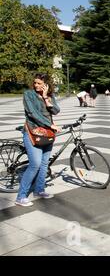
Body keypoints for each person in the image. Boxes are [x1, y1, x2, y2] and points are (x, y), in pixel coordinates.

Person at [15, 73, 61, 207]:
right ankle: (21, 196)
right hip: (33, 131)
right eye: (35, 83)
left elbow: (56, 111)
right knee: (35, 164)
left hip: (47, 134)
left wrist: (46, 98)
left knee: (44, 164)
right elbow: (32, 114)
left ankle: (39, 190)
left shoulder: (50, 96)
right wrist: (50, 125)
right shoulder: (28, 94)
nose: (36, 85)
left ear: (46, 85)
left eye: (39, 83)